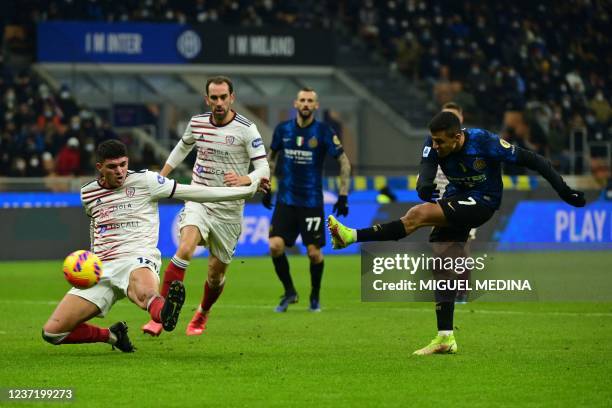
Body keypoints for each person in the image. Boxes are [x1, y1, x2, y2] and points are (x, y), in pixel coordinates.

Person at [328, 111, 585, 355]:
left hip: (483, 201)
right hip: (457, 197)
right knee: (442, 263)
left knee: (417, 216)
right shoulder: (434, 143)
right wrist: (423, 185)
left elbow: (534, 160)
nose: (436, 145)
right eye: (434, 141)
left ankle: (351, 236)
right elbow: (426, 169)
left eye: (441, 141)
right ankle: (445, 337)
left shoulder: (484, 142)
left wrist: (564, 191)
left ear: (458, 137)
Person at [42, 140, 267, 352]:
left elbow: (197, 192)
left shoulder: (147, 181)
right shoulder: (88, 193)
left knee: (146, 294)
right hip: (102, 268)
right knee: (52, 333)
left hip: (137, 258)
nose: (120, 171)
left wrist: (246, 190)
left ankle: (165, 312)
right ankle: (113, 336)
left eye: (123, 164)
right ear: (100, 167)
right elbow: (97, 228)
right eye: (112, 167)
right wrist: (90, 261)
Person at [142, 76, 270, 337]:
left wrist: (247, 179)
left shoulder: (247, 129)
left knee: (215, 275)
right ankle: (160, 314)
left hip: (229, 209)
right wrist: (162, 176)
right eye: (214, 98)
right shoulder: (197, 123)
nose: (219, 102)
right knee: (185, 247)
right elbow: (181, 148)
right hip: (199, 197)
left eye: (224, 97)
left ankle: (202, 312)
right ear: (207, 99)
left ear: (232, 98)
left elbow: (264, 168)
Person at [262, 87, 351, 312]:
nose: (306, 104)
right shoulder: (283, 130)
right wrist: (266, 186)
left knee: (314, 252)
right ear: (295, 104)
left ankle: (314, 297)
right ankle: (290, 291)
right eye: (302, 100)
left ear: (316, 106)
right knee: (275, 245)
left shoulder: (323, 131)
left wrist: (343, 194)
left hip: (311, 202)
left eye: (310, 101)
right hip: (286, 200)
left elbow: (344, 162)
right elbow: (270, 158)